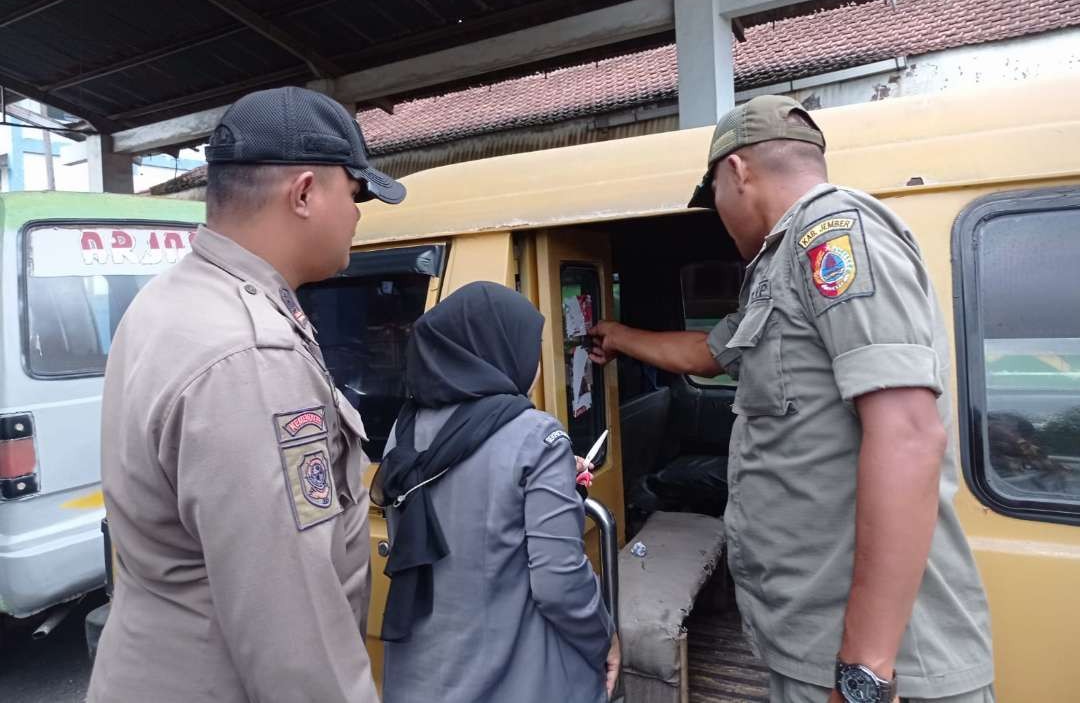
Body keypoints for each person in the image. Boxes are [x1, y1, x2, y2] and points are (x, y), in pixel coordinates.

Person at [589, 95, 994, 703]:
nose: (719, 218)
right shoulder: (778, 266)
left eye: (715, 199)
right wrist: (620, 337)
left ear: (737, 172)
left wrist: (864, 671)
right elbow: (709, 353)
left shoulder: (833, 235)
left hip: (864, 667)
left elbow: (908, 435)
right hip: (812, 645)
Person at [87, 86, 405, 703]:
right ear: (306, 193)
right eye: (356, 192)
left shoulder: (172, 299)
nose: (361, 213)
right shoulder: (252, 357)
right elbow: (296, 642)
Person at [375, 281, 619, 703]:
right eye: (531, 346)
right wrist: (606, 637)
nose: (537, 362)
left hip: (419, 680)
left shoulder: (403, 430)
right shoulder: (536, 436)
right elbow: (560, 584)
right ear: (499, 350)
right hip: (510, 680)